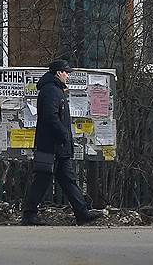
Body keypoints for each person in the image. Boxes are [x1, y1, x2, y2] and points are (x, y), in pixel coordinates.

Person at [21, 60, 104, 226]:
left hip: (57, 145)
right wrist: (64, 135)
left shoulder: (54, 89)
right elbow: (50, 117)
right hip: (52, 145)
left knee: (67, 179)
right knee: (44, 179)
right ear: (58, 73)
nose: (68, 75)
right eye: (66, 72)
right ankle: (29, 214)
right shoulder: (51, 91)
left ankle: (82, 213)